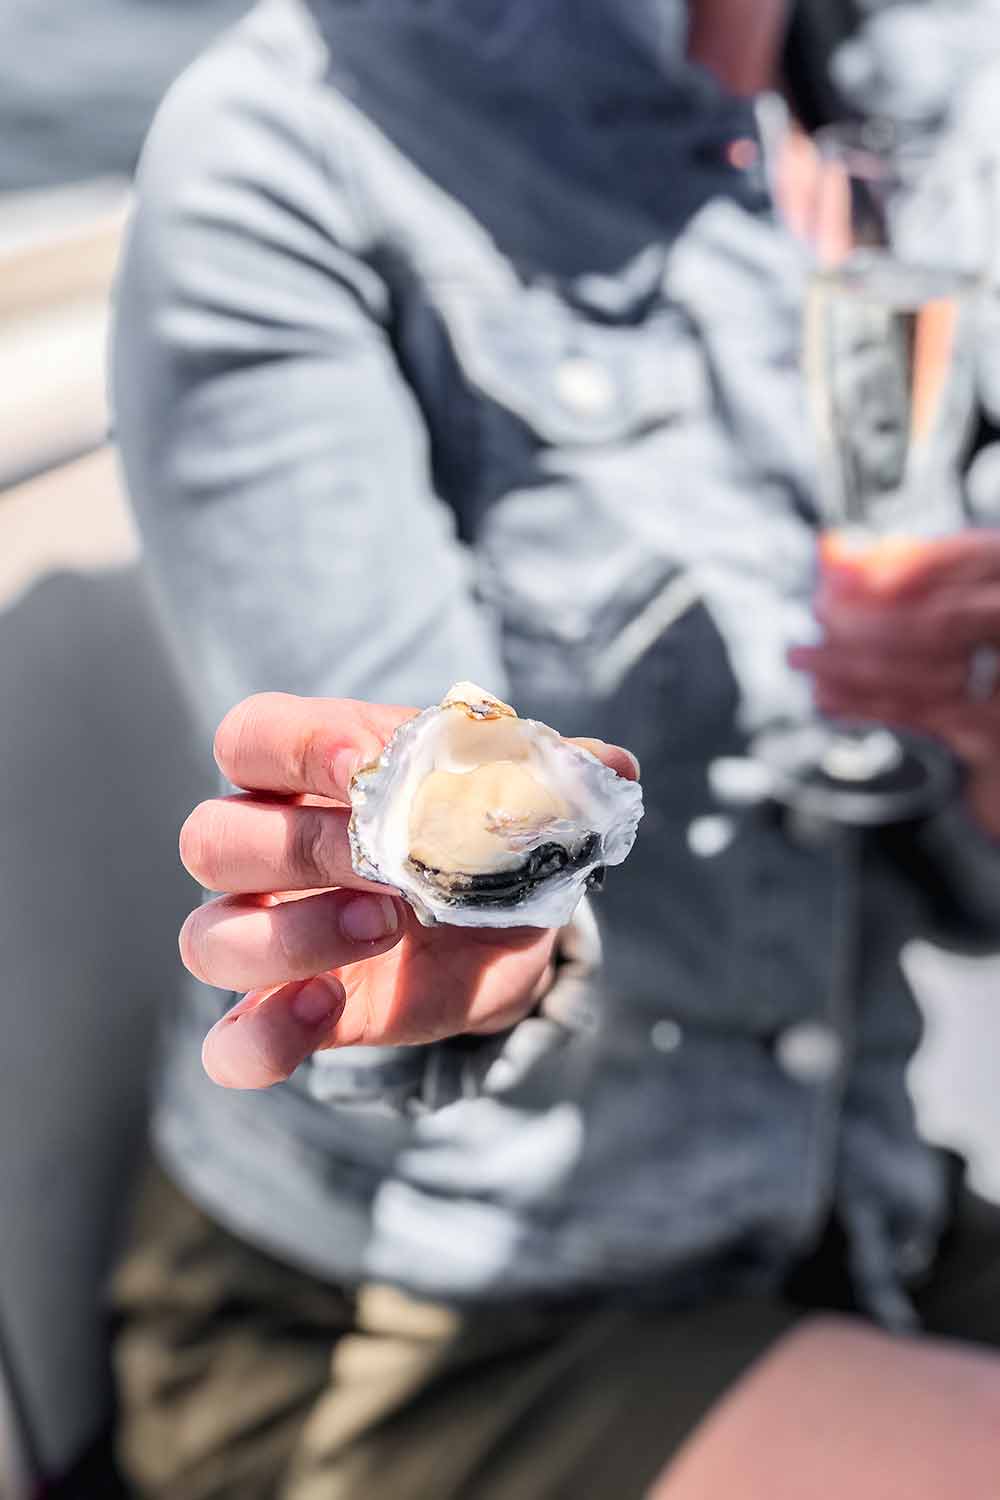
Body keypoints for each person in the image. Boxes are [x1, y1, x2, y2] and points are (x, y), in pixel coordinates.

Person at [110, 2, 1000, 1496]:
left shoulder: (936, 100)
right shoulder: (291, 151)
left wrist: (977, 727)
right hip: (410, 1331)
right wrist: (458, 932)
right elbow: (408, 849)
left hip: (851, 1213)